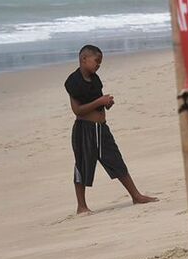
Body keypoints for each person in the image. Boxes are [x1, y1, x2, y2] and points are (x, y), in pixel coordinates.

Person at [65, 44, 158, 215]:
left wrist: (106, 104)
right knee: (82, 165)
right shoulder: (73, 82)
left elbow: (98, 101)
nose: (98, 66)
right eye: (96, 62)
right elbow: (78, 110)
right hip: (84, 130)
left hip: (101, 128)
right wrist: (99, 102)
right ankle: (81, 206)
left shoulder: (95, 79)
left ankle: (136, 196)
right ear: (84, 59)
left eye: (100, 63)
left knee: (116, 160)